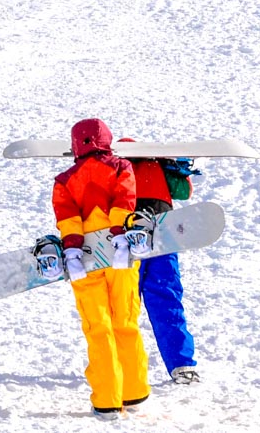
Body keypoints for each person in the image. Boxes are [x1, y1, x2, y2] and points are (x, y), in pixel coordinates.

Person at [52, 118, 150, 417]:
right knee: (125, 320)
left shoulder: (65, 179)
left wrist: (70, 248)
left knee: (98, 327)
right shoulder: (121, 167)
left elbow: (66, 214)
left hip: (84, 256)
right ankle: (133, 394)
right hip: (120, 254)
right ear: (106, 140)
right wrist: (120, 236)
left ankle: (107, 400)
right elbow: (125, 199)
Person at [120, 141, 202, 386]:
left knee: (140, 302)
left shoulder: (154, 166)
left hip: (151, 241)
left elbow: (184, 191)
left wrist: (175, 168)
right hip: (142, 241)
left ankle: (179, 364)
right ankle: (178, 365)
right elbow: (184, 192)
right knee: (154, 302)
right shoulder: (122, 167)